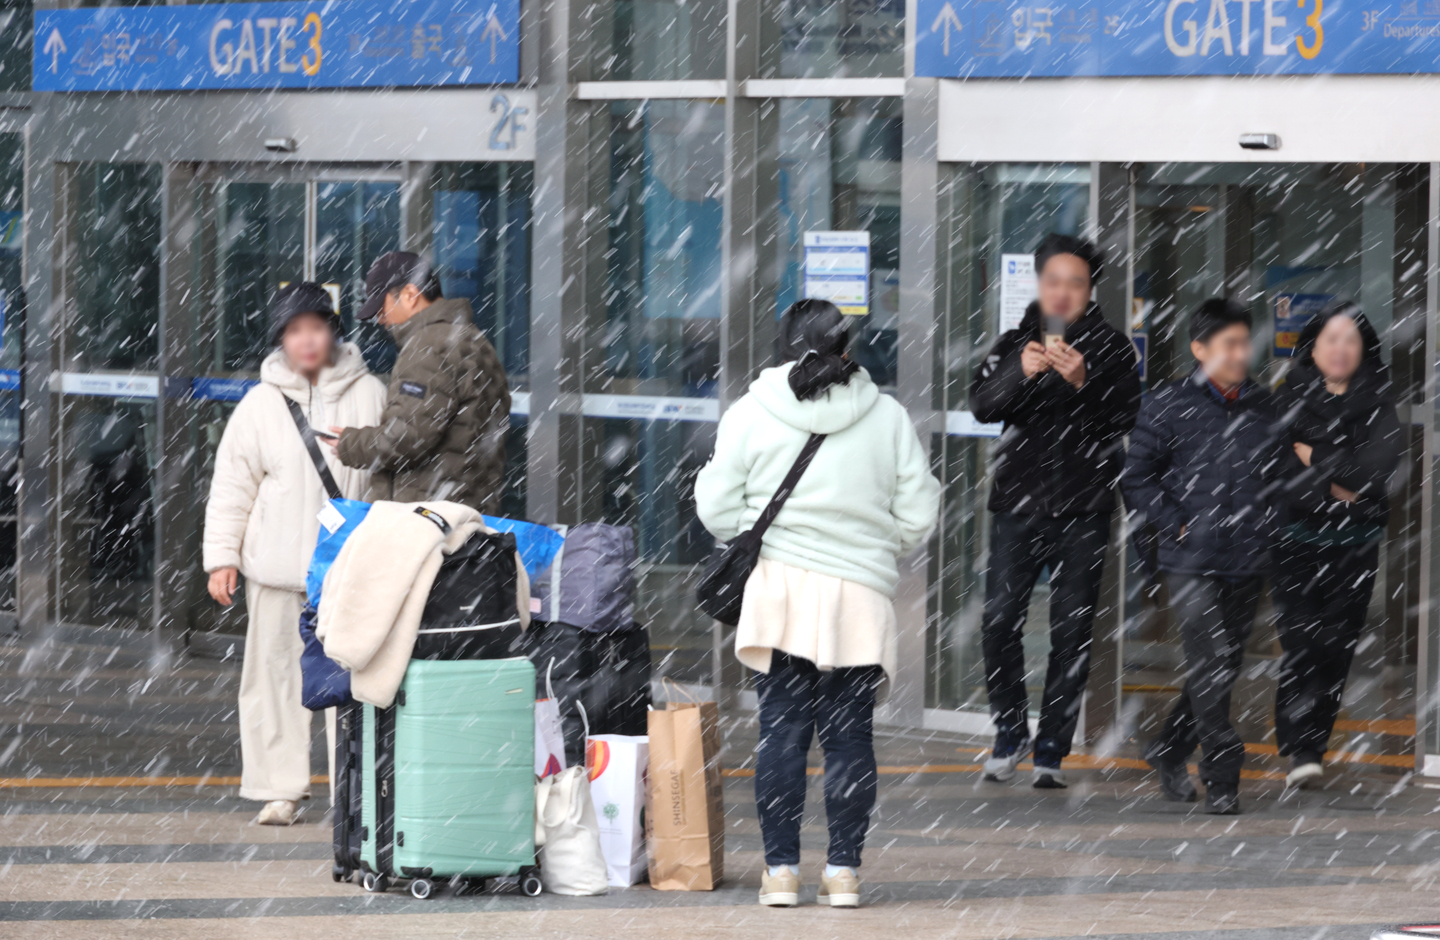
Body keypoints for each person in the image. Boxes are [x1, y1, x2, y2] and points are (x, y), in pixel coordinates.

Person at [694, 299, 940, 910]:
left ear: (783, 348)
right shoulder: (885, 417)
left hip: (780, 591)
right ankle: (843, 873)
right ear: (847, 348)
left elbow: (716, 508)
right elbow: (918, 515)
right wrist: (872, 545)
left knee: (781, 733)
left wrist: (762, 532)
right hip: (859, 596)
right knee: (850, 739)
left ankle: (780, 872)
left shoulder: (753, 411)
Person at [202, 283, 386, 826]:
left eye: (316, 327)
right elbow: (233, 485)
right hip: (278, 570)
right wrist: (222, 558)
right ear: (281, 340)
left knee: (355, 683)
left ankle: (352, 788)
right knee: (273, 680)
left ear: (333, 331)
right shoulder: (260, 404)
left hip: (351, 571)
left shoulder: (370, 392)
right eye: (295, 331)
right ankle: (279, 787)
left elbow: (387, 476)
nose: (307, 340)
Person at [968, 233, 1141, 788]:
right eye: (1053, 282)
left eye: (1075, 283)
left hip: (1084, 508)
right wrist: (1020, 369)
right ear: (1039, 284)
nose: (1063, 292)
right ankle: (1009, 731)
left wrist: (1082, 380)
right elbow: (981, 406)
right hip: (1016, 505)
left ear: (1089, 289)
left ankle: (1051, 749)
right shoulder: (1014, 340)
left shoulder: (1112, 347)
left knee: (1072, 631)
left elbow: (1125, 417)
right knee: (999, 621)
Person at [1122, 298, 1286, 816]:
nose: (1241, 353)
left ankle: (1169, 748)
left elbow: (1278, 478)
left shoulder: (1264, 406)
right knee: (1210, 662)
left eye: (1245, 343)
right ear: (1200, 350)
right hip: (1190, 558)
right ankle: (1222, 770)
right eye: (1229, 345)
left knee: (1224, 664)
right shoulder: (1168, 403)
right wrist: (1175, 523)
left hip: (1246, 557)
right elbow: (1137, 477)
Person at [1273, 302, 1401, 790]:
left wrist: (1315, 456)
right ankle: (1298, 740)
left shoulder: (1379, 401)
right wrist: (1339, 485)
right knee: (1301, 643)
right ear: (1313, 346)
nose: (1341, 349)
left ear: (1363, 347)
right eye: (1331, 339)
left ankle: (1312, 745)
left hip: (1354, 546)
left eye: (1350, 339)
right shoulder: (1287, 398)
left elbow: (1374, 475)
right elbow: (1278, 474)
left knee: (1336, 647)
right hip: (1294, 543)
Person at [329, 251, 511, 512]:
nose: (381, 319)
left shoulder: (428, 345)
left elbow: (408, 437)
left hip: (424, 522)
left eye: (382, 307)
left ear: (410, 295)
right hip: (466, 514)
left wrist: (352, 444)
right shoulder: (477, 342)